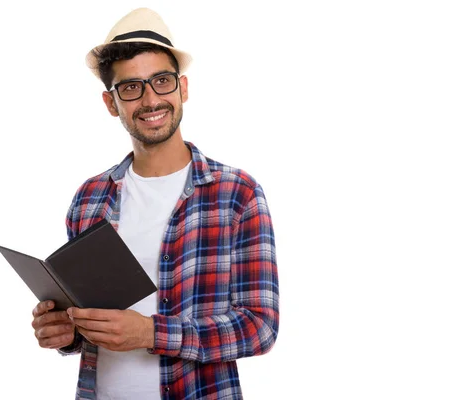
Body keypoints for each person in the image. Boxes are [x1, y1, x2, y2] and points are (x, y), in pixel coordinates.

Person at [29, 7, 279, 400]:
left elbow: (259, 328)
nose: (149, 100)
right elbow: (86, 318)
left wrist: (151, 333)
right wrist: (65, 332)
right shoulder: (89, 199)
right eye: (130, 87)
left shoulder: (237, 194)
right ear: (111, 104)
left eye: (161, 81)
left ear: (183, 88)